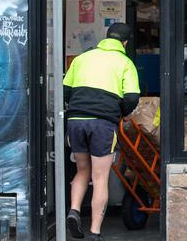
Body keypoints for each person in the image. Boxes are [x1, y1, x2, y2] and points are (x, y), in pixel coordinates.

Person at [63, 23, 140, 241]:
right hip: (103, 124)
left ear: (105, 37)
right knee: (100, 178)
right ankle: (95, 233)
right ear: (125, 42)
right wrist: (120, 113)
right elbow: (132, 97)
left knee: (81, 170)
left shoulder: (82, 58)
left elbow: (65, 90)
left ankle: (74, 210)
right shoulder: (125, 63)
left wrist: (78, 106)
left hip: (76, 120)